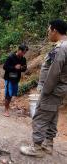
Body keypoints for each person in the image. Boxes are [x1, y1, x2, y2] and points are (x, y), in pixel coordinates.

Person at [20, 19, 67, 157]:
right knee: (52, 115)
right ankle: (48, 145)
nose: (48, 33)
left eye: (48, 30)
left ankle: (37, 148)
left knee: (40, 117)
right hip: (59, 89)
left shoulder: (61, 48)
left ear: (54, 30)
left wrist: (45, 90)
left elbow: (54, 72)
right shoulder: (63, 46)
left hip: (52, 89)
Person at [3, 44, 28, 117]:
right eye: (23, 52)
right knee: (8, 94)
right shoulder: (11, 57)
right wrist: (14, 67)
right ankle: (6, 110)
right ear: (19, 50)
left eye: (25, 53)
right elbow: (5, 67)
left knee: (12, 94)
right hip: (9, 78)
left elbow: (24, 68)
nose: (24, 54)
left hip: (16, 79)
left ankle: (7, 106)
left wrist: (21, 68)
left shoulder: (23, 59)